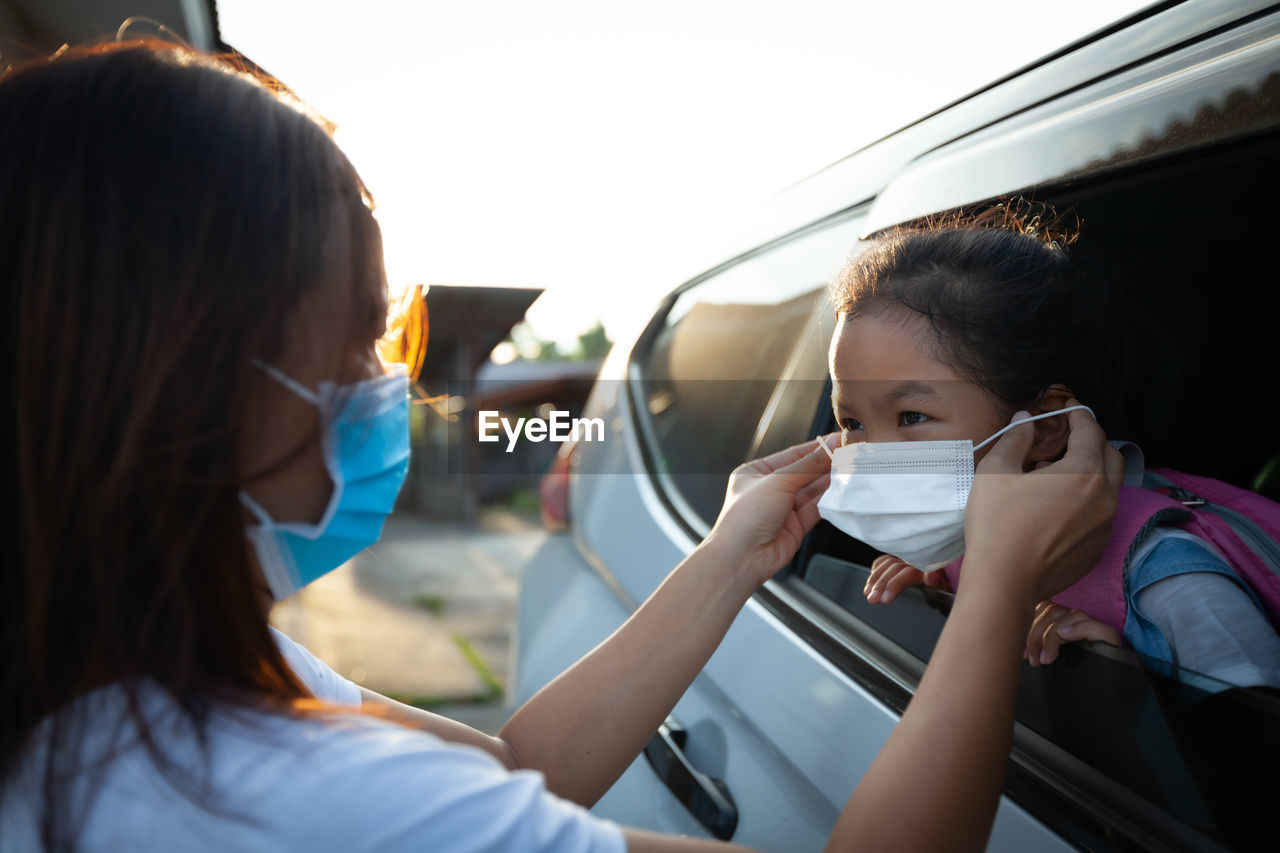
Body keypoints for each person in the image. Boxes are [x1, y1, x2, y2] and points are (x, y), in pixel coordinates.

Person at [0, 42, 1122, 852]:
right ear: (195, 376)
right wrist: (996, 582)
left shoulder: (122, 682)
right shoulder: (277, 795)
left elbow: (503, 771)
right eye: (355, 333)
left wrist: (733, 552)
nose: (389, 387)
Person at [821, 202, 1280, 687]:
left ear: (1042, 429)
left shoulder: (1170, 582)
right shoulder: (954, 542)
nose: (871, 455)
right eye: (851, 420)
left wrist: (1128, 687)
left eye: (911, 416)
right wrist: (943, 578)